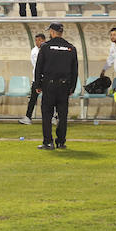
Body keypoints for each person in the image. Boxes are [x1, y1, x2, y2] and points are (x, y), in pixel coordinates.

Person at [33, 22, 78, 150]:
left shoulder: (46, 47)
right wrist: (72, 87)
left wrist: (38, 84)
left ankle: (48, 142)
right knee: (62, 115)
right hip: (64, 87)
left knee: (47, 114)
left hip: (49, 86)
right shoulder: (71, 48)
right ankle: (61, 141)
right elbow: (74, 70)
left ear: (52, 32)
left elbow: (39, 68)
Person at [19, 34, 47, 125]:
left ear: (43, 40)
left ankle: (53, 117)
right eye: (36, 40)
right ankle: (28, 117)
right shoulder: (34, 51)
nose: (37, 42)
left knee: (50, 99)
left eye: (39, 40)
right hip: (37, 79)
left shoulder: (47, 49)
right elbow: (37, 65)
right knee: (33, 99)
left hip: (47, 79)